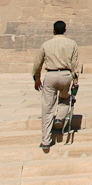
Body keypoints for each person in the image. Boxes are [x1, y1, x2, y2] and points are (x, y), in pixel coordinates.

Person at [32, 20, 80, 151]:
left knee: (47, 108)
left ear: (53, 30)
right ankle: (59, 118)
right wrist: (75, 82)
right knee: (64, 99)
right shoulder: (72, 44)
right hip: (66, 76)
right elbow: (75, 64)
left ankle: (45, 140)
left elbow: (37, 64)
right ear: (65, 30)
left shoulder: (46, 44)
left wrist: (37, 78)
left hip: (51, 76)